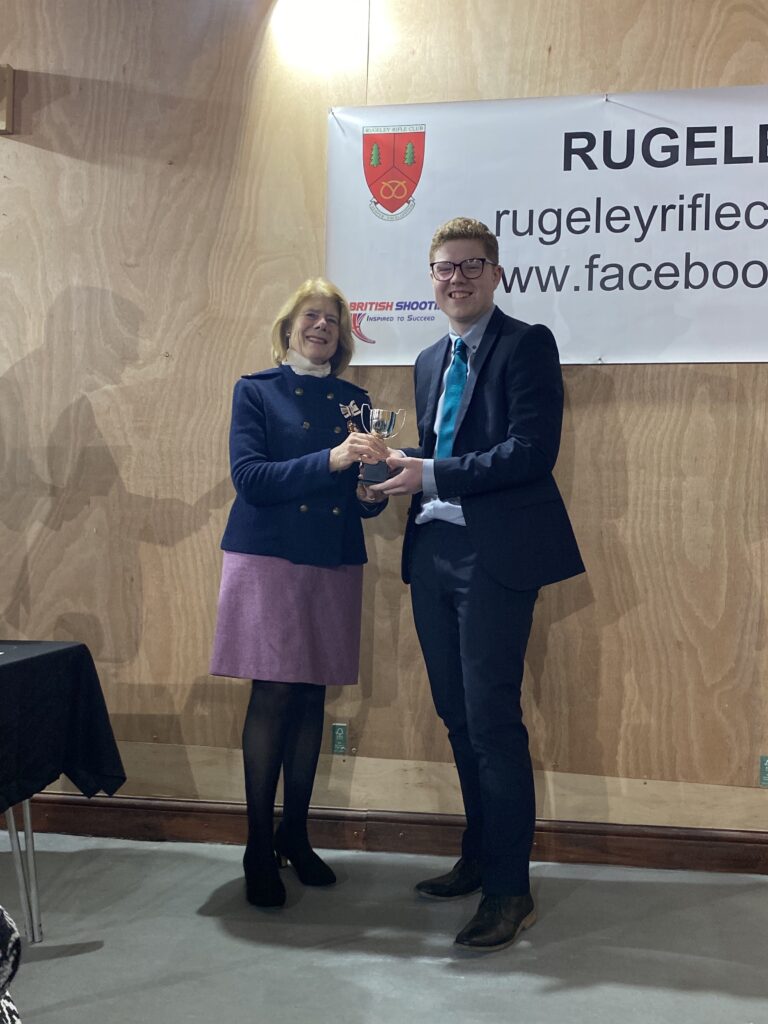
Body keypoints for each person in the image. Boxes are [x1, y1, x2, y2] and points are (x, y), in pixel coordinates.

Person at [372, 217, 585, 951]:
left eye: (469, 266)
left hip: (496, 558)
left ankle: (509, 889)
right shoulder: (431, 357)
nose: (455, 279)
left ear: (496, 274)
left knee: (492, 721)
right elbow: (437, 451)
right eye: (442, 268)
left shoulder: (528, 344)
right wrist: (390, 476)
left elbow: (532, 451)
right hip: (431, 552)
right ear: (430, 279)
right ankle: (480, 855)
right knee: (457, 718)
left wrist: (430, 470)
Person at [210, 278, 388, 908]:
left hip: (333, 557)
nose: (322, 328)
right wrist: (334, 462)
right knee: (275, 690)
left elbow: (357, 486)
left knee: (313, 692)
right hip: (268, 556)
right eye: (312, 316)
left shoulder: (355, 398)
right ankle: (259, 844)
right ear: (288, 326)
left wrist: (369, 494)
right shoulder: (255, 390)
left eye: (333, 322)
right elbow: (250, 477)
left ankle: (296, 833)